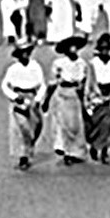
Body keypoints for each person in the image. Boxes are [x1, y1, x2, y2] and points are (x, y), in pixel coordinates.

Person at [1, 40, 47, 171]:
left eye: (27, 52)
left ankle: (29, 149)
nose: (25, 55)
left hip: (32, 98)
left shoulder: (35, 66)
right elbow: (4, 85)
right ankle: (23, 156)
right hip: (19, 99)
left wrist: (38, 99)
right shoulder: (13, 69)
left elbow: (42, 84)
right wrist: (15, 97)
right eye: (22, 53)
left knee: (36, 126)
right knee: (23, 128)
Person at [44, 35, 89, 165]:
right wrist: (47, 100)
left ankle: (77, 151)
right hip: (63, 93)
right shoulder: (59, 63)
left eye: (75, 46)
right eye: (70, 47)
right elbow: (52, 83)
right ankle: (66, 151)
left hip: (75, 94)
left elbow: (84, 83)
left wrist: (84, 100)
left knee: (76, 125)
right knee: (64, 123)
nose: (73, 49)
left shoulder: (82, 64)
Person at [85, 33, 110, 164]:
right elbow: (89, 83)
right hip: (97, 96)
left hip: (109, 95)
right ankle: (95, 146)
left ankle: (104, 151)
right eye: (103, 49)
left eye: (107, 49)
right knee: (96, 125)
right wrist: (90, 99)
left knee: (109, 125)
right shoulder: (93, 64)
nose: (105, 52)